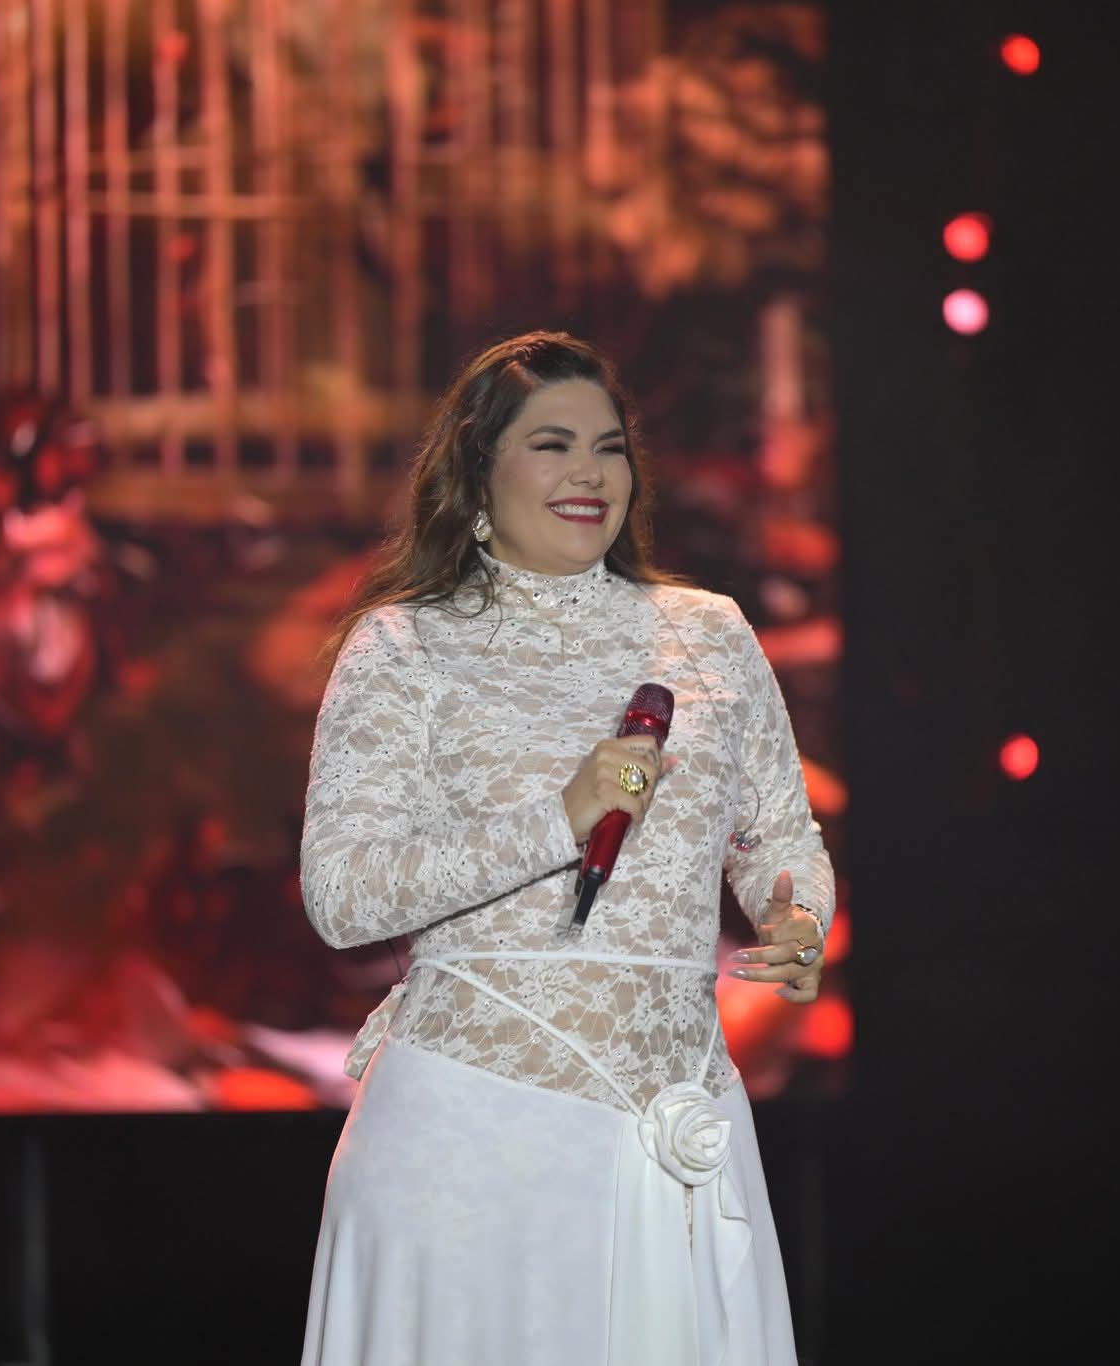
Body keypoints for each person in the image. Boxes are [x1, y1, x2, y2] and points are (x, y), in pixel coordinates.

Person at [297, 332, 834, 1364]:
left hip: (676, 1123)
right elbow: (342, 894)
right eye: (552, 445)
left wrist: (798, 913)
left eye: (608, 448)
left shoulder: (710, 634)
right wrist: (559, 821)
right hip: (474, 1136)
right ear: (477, 471)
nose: (589, 473)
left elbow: (779, 834)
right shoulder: (405, 646)